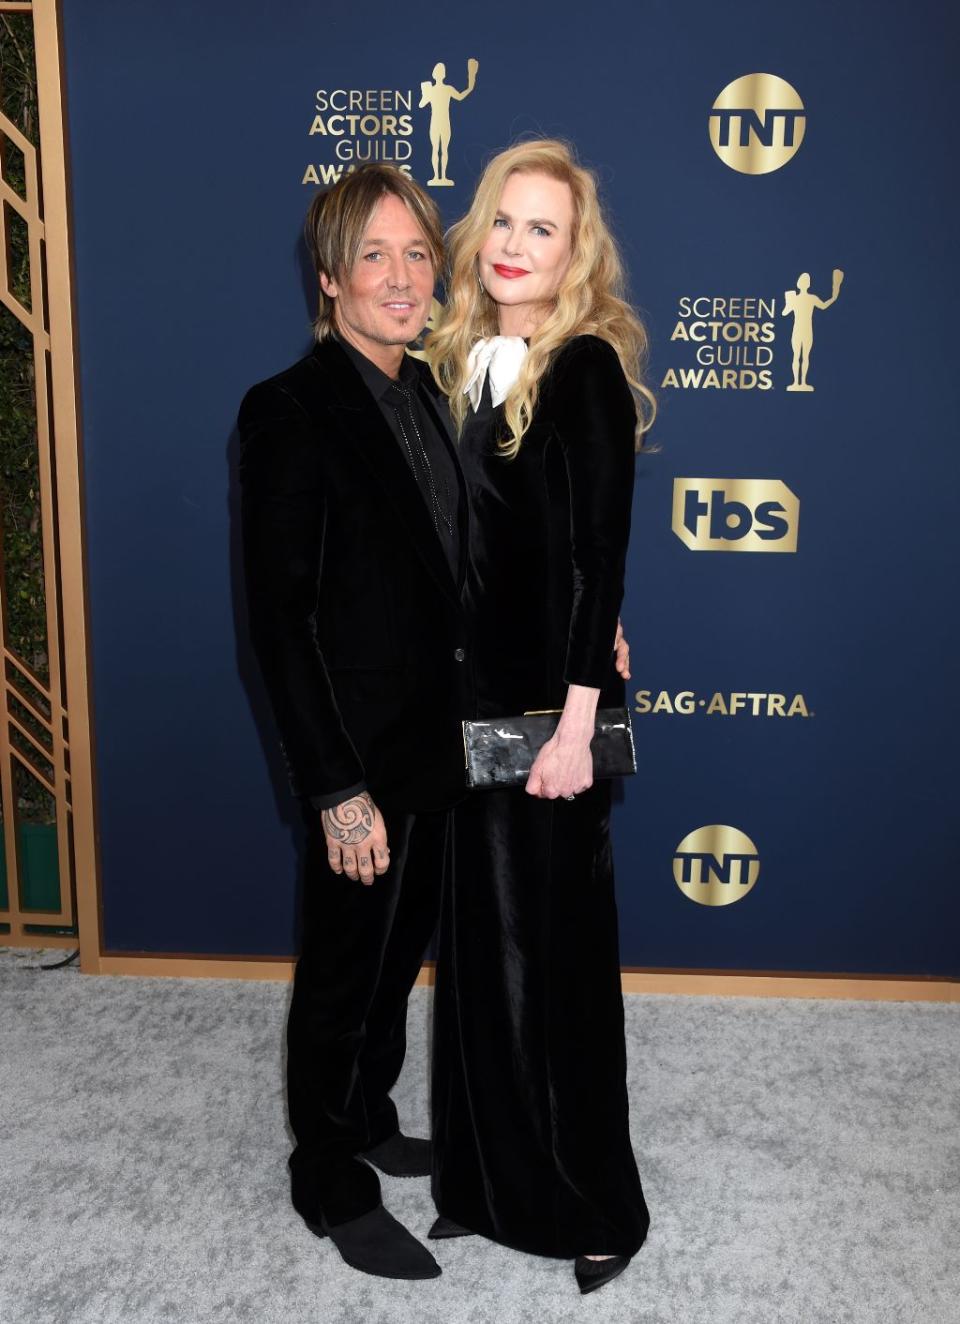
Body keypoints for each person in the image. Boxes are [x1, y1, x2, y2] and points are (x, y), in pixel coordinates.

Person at [426, 140, 654, 1296]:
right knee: (480, 957)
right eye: (503, 223)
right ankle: (487, 1185)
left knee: (557, 965)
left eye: (543, 230)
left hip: (546, 721)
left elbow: (597, 560)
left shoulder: (586, 373)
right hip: (470, 713)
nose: (515, 245)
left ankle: (597, 1202)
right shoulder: (462, 361)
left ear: (576, 255)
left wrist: (575, 725)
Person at [238, 164, 473, 1281]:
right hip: (360, 765)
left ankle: (372, 1114)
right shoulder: (288, 411)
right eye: (373, 255)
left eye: (416, 252)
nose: (400, 275)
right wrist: (334, 787)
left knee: (398, 958)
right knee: (342, 969)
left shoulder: (431, 390)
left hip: (439, 749)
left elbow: (458, 576)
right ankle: (328, 1170)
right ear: (330, 279)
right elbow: (280, 626)